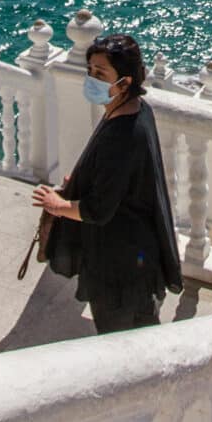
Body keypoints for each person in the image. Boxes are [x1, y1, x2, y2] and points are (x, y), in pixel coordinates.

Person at [31, 33, 183, 334]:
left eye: (100, 74)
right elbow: (123, 177)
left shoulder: (121, 134)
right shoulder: (138, 110)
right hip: (136, 254)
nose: (91, 79)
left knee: (121, 342)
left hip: (119, 267)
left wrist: (57, 205)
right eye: (90, 71)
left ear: (124, 83)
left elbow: (98, 210)